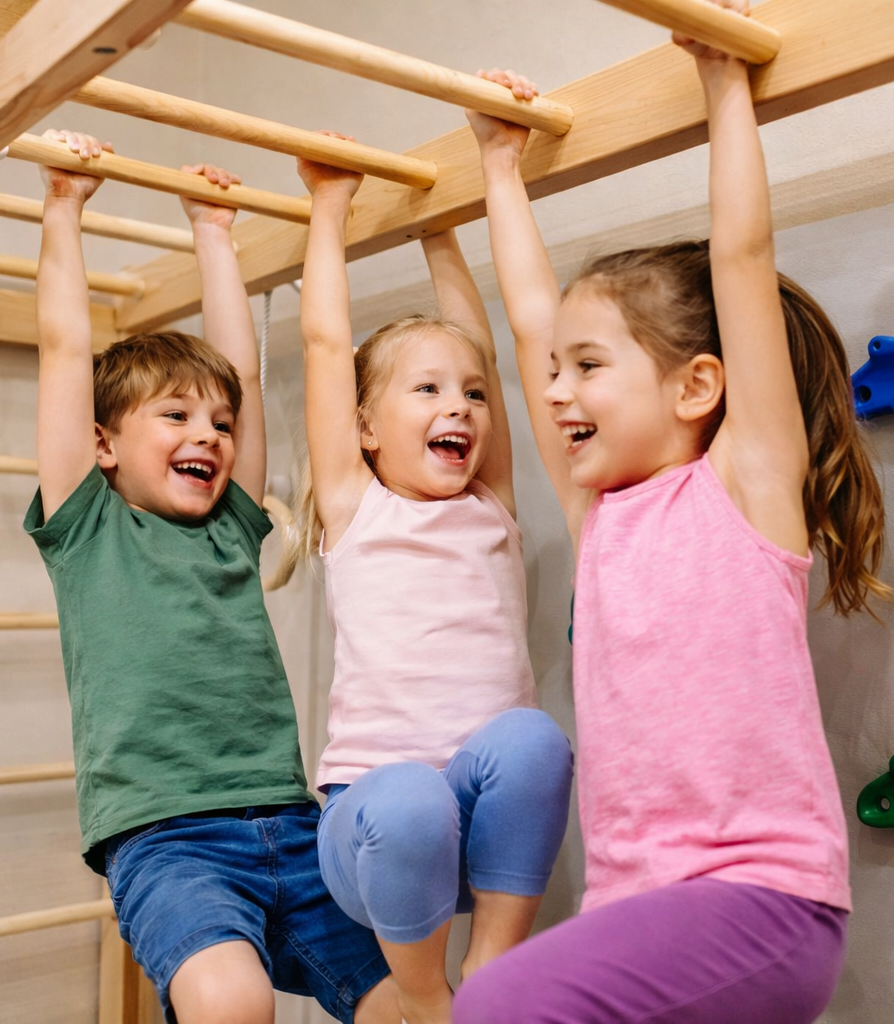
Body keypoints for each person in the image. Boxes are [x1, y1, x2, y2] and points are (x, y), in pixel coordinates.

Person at [455, 3, 892, 1021]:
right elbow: (528, 321)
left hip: (760, 900)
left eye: (590, 367)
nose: (555, 392)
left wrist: (722, 87)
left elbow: (741, 258)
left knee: (492, 1007)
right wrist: (499, 170)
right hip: (640, 909)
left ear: (698, 388)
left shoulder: (744, 486)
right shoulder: (600, 508)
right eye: (555, 375)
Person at [25, 129, 399, 1024]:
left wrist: (214, 232)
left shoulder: (232, 522)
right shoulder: (90, 525)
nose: (209, 435)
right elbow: (63, 351)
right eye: (176, 416)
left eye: (220, 425)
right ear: (105, 445)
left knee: (410, 1003)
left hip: (292, 823)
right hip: (166, 839)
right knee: (231, 1003)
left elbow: (246, 372)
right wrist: (64, 206)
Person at [292, 127, 574, 1024]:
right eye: (425, 392)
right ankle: (424, 1001)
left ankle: (493, 971)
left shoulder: (490, 502)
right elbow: (325, 346)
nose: (458, 405)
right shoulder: (356, 503)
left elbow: (483, 350)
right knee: (411, 791)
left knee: (536, 738)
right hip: (373, 833)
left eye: (471, 397)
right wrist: (327, 207)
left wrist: (442, 231)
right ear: (365, 428)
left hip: (482, 833)